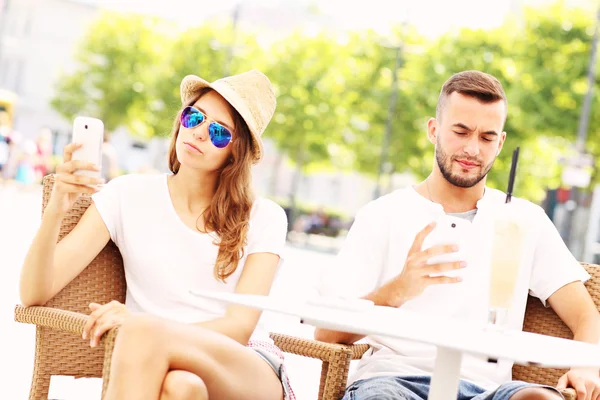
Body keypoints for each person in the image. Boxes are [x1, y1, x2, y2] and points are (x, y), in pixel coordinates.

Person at [315, 70, 600, 400]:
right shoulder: (383, 214)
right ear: (433, 130)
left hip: (489, 391)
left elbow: (585, 315)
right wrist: (396, 291)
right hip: (394, 381)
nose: (472, 149)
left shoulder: (523, 220)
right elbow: (326, 334)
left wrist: (587, 365)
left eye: (486, 137)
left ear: (501, 143)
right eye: (461, 131)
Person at [19, 69, 294, 400]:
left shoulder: (264, 217)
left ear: (235, 153)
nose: (201, 133)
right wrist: (56, 212)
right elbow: (35, 293)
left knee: (142, 333)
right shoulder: (128, 195)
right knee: (181, 388)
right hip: (157, 362)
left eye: (220, 132)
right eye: (195, 117)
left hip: (244, 364)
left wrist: (147, 329)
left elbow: (238, 328)